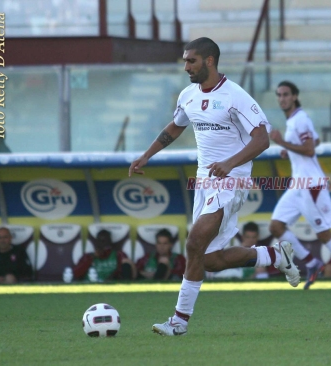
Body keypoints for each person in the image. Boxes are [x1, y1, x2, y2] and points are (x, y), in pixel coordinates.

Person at [128, 37, 299, 337]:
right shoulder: (188, 95)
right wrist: (146, 155)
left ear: (209, 61)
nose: (186, 67)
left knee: (194, 244)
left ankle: (179, 322)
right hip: (205, 182)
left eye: (190, 61)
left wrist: (231, 163)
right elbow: (176, 126)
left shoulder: (236, 96)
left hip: (231, 180)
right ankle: (274, 257)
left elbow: (262, 139)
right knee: (208, 260)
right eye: (184, 60)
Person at [269, 80, 331, 294]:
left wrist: (282, 143)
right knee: (276, 226)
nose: (282, 98)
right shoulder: (296, 119)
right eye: (279, 95)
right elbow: (316, 140)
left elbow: (310, 150)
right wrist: (291, 151)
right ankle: (311, 262)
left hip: (311, 185)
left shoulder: (300, 119)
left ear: (294, 96)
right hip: (298, 185)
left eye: (286, 94)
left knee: (324, 234)